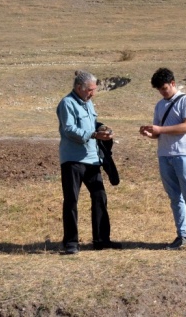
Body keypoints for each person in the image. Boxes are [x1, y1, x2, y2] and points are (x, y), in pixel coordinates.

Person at [139, 68, 186, 254]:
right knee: (174, 198)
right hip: (165, 154)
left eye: (164, 88)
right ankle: (182, 235)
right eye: (159, 89)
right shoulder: (159, 105)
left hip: (184, 154)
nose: (162, 92)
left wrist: (159, 130)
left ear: (173, 83)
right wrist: (150, 133)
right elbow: (158, 132)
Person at [56, 70, 121, 254]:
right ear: (79, 88)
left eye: (94, 90)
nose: (93, 93)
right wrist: (93, 134)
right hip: (72, 160)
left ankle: (101, 240)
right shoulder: (66, 103)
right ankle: (71, 243)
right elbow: (69, 129)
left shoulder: (88, 102)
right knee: (71, 200)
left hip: (92, 159)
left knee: (100, 196)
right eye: (90, 90)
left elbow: (92, 123)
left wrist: (102, 128)